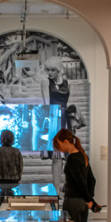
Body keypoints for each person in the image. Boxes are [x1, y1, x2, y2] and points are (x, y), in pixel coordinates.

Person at [41, 57, 70, 193]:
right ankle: (56, 190)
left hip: (65, 120)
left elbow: (68, 102)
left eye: (53, 70)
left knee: (67, 156)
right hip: (54, 118)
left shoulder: (67, 83)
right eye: (48, 70)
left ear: (59, 70)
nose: (50, 73)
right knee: (57, 157)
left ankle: (65, 187)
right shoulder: (46, 82)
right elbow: (46, 103)